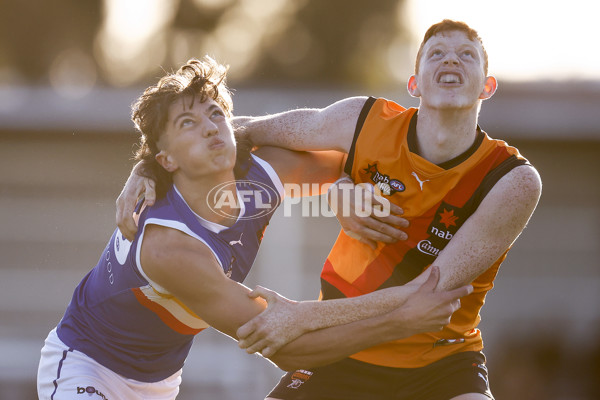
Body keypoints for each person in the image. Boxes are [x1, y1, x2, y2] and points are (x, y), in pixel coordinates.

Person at [38, 56, 471, 400]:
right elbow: (286, 347)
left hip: (158, 381)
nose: (209, 127)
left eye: (214, 114)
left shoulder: (260, 171)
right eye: (187, 123)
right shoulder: (169, 246)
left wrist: (340, 186)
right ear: (166, 160)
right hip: (87, 364)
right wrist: (401, 317)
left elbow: (361, 160)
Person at [230, 20, 542, 400]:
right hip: (342, 347)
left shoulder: (512, 180)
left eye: (467, 55)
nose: (452, 60)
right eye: (437, 53)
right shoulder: (361, 120)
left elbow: (424, 295)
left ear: (487, 86)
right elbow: (244, 130)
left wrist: (300, 317)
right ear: (414, 84)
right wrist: (147, 170)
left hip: (442, 362)